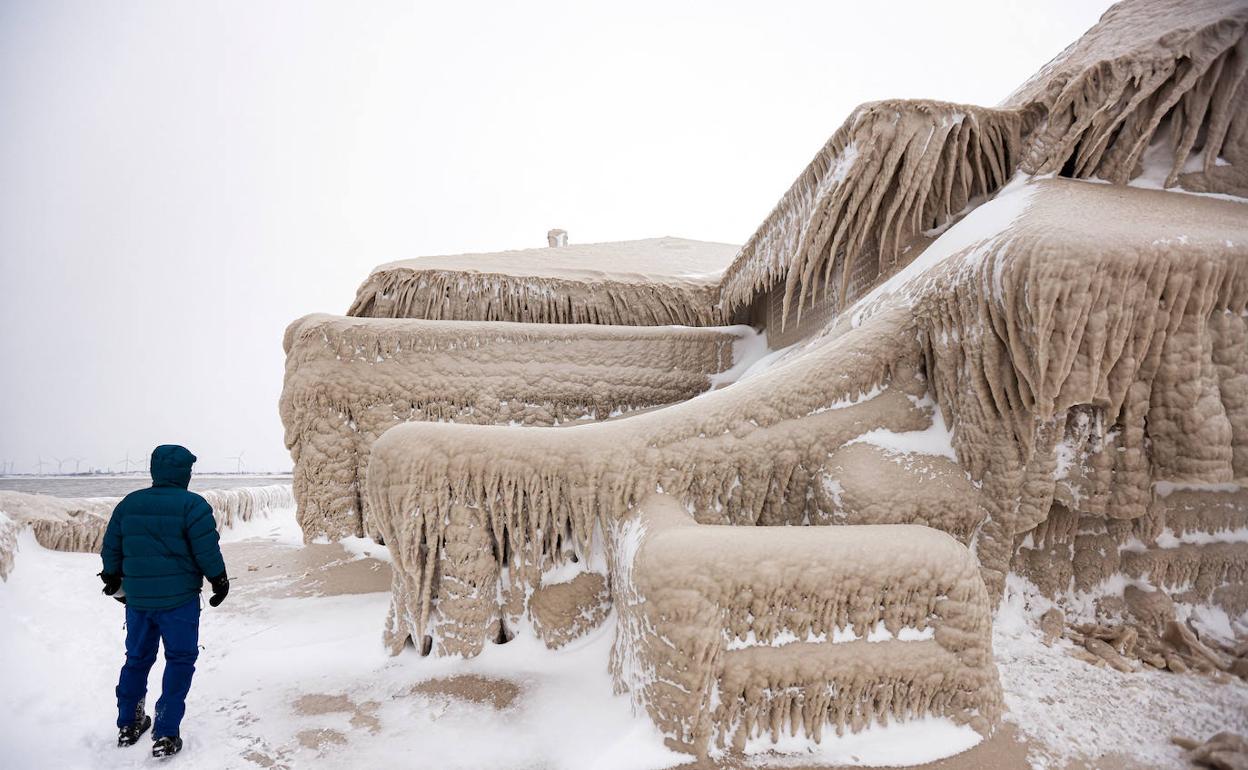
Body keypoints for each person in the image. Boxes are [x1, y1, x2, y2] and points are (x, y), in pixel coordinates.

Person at [98, 444, 229, 758]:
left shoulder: (129, 504)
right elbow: (206, 549)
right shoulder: (193, 505)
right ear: (184, 472)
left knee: (137, 659)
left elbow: (110, 547)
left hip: (139, 601)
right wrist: (219, 579)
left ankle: (129, 724)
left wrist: (113, 577)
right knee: (180, 660)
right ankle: (166, 732)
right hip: (180, 601)